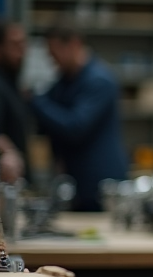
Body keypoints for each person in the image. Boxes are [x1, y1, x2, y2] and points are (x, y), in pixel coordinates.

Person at [31, 22, 127, 210]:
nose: (53, 60)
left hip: (100, 183)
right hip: (74, 180)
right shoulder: (63, 81)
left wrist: (35, 101)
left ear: (74, 44)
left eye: (55, 52)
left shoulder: (99, 80)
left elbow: (75, 126)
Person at [0, 19, 30, 182]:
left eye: (23, 45)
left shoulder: (11, 83)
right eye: (15, 45)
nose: (22, 52)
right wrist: (2, 149)